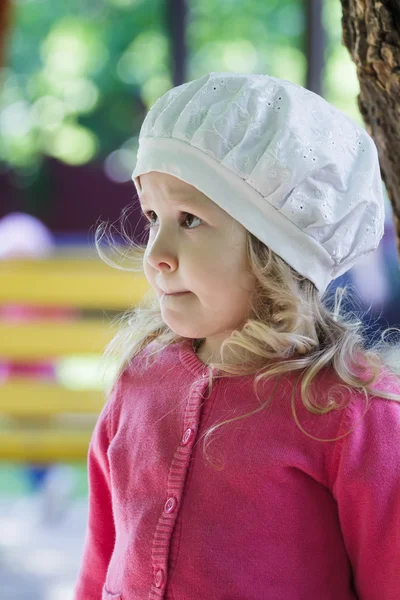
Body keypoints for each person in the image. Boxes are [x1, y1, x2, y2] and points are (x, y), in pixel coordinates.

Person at [73, 72, 400, 600]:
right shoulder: (138, 382)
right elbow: (100, 559)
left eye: (191, 220)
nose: (156, 250)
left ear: (274, 249)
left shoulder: (351, 410)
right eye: (153, 215)